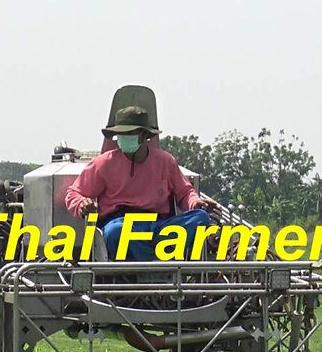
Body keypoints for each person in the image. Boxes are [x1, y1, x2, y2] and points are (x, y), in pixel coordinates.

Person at [64, 105, 216, 260]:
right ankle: (156, 261)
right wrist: (82, 204)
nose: (124, 138)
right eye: (121, 134)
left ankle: (151, 255)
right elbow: (74, 193)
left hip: (159, 226)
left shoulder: (165, 161)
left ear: (144, 136)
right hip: (122, 223)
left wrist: (196, 203)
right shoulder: (103, 163)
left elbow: (185, 193)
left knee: (200, 217)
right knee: (115, 231)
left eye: (130, 133)